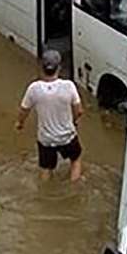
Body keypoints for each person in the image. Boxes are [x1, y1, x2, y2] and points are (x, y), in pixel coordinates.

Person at [16, 51, 84, 182]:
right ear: (59, 68)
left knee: (46, 168)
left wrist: (20, 123)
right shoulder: (68, 86)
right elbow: (79, 111)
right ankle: (74, 187)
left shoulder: (34, 89)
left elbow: (24, 110)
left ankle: (45, 191)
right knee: (76, 160)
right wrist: (74, 121)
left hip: (46, 140)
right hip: (67, 136)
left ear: (41, 68)